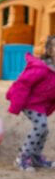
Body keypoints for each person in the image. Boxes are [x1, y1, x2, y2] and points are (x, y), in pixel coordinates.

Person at [6, 35, 55, 171]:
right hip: (28, 102)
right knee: (40, 126)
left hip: (40, 104)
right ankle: (22, 158)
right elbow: (22, 84)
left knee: (44, 130)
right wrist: (16, 104)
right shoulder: (41, 69)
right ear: (50, 51)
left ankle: (35, 157)